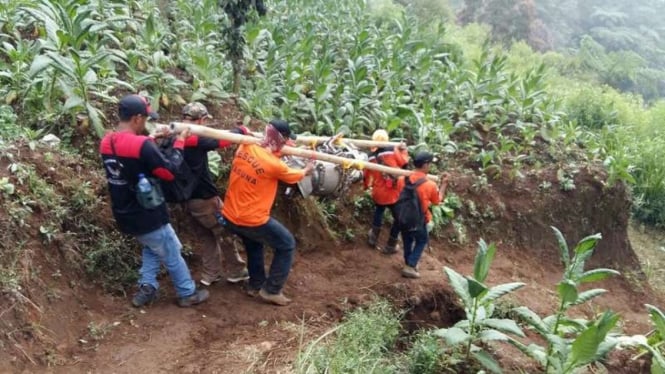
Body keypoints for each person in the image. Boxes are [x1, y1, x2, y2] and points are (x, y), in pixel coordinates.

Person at [99, 94, 209, 308]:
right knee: (170, 248)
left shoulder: (107, 141)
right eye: (146, 119)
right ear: (137, 119)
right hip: (147, 211)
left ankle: (147, 287)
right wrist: (179, 142)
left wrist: (152, 139)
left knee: (153, 245)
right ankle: (187, 292)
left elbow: (129, 152)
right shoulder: (142, 146)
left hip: (123, 211)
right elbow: (169, 172)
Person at [219, 119, 314, 306]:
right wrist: (307, 169)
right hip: (251, 219)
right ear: (281, 139)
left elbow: (263, 157)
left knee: (254, 244)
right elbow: (294, 175)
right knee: (286, 244)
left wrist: (278, 148)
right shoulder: (275, 166)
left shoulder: (244, 147)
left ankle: (255, 284)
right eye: (286, 140)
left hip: (230, 214)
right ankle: (272, 290)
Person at [177, 102, 250, 286]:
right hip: (205, 199)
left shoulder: (175, 136)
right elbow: (223, 140)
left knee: (206, 236)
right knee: (224, 232)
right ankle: (237, 270)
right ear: (201, 120)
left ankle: (211, 274)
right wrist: (241, 130)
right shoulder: (196, 139)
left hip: (186, 198)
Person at [396, 152, 449, 279]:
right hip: (419, 219)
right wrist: (444, 184)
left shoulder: (402, 180)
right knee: (421, 240)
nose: (430, 166)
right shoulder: (430, 184)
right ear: (425, 165)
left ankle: (408, 262)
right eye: (429, 163)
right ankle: (410, 265)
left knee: (407, 240)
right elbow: (437, 201)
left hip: (403, 217)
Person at [363, 129, 409, 254]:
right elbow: (404, 162)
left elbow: (366, 174)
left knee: (379, 212)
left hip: (379, 191)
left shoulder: (369, 156)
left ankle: (373, 238)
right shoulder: (392, 150)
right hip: (395, 190)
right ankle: (391, 244)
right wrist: (404, 150)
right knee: (398, 218)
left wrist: (366, 186)